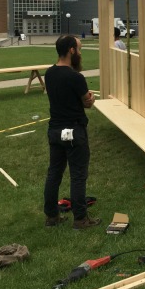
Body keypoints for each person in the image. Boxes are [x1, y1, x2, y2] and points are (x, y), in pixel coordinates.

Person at [43, 35, 100, 229]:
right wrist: (90, 100)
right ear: (71, 51)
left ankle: (52, 216)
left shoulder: (49, 74)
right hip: (75, 132)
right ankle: (80, 219)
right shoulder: (76, 77)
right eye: (80, 49)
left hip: (55, 131)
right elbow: (87, 102)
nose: (81, 53)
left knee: (54, 174)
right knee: (78, 175)